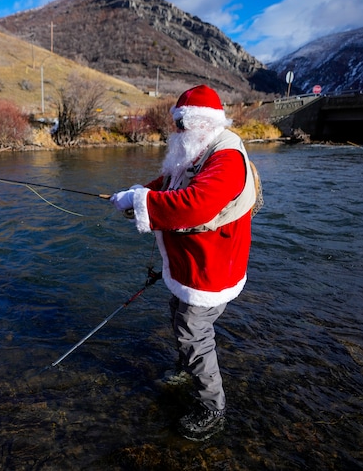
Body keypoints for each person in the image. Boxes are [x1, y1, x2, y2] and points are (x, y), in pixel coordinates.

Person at [110, 84, 257, 441]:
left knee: (194, 331)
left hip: (211, 270)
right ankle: (186, 369)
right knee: (179, 315)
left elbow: (195, 204)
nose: (175, 131)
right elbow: (168, 182)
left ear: (201, 123)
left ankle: (212, 405)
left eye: (180, 125)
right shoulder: (199, 148)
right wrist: (136, 197)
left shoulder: (226, 158)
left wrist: (141, 201)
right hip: (193, 265)